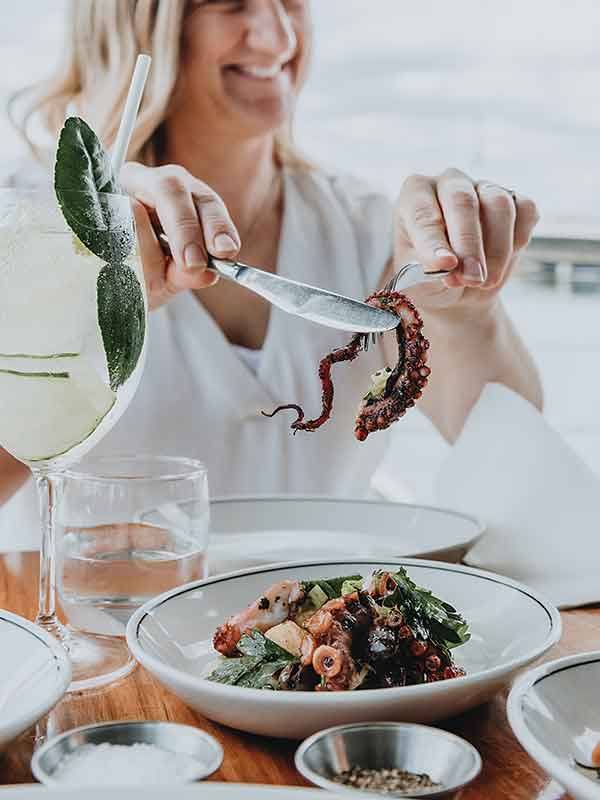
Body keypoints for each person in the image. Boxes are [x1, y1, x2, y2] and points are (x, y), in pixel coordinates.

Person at [1, 0, 542, 525]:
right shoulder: (22, 225)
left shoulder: (364, 228)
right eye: (230, 4)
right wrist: (76, 314)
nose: (280, 37)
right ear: (140, 22)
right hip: (83, 592)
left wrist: (462, 313)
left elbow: (517, 465)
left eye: (291, 1)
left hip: (327, 592)